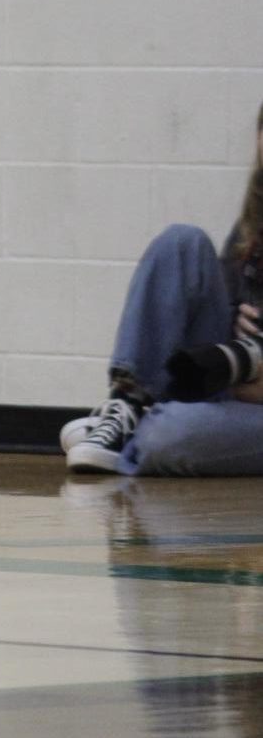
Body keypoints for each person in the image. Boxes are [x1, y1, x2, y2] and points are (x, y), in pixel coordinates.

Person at [63, 100, 263, 475]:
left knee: (170, 435)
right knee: (181, 241)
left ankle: (134, 431)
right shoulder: (254, 221)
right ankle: (128, 401)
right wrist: (236, 317)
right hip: (232, 384)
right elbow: (216, 332)